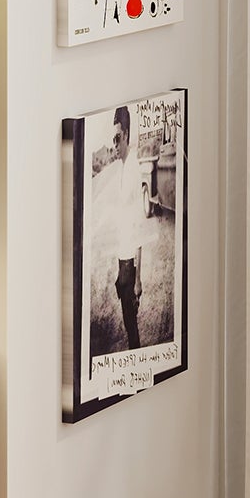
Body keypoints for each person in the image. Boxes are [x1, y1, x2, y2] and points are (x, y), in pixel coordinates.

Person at [103, 104, 147, 349]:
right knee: (128, 320)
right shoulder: (122, 167)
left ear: (127, 135)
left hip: (130, 263)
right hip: (123, 260)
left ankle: (135, 369)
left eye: (118, 138)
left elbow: (139, 228)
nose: (115, 145)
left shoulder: (133, 170)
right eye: (113, 139)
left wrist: (138, 279)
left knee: (131, 324)